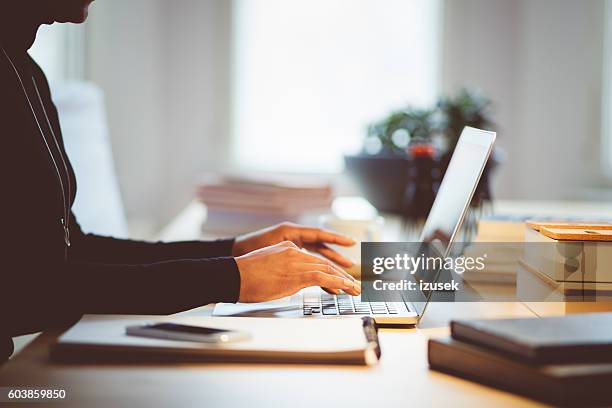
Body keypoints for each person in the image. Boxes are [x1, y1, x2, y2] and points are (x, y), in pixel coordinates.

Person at [0, 0, 360, 362]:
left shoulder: (26, 71)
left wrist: (235, 251)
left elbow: (73, 249)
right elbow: (28, 290)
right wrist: (229, 278)